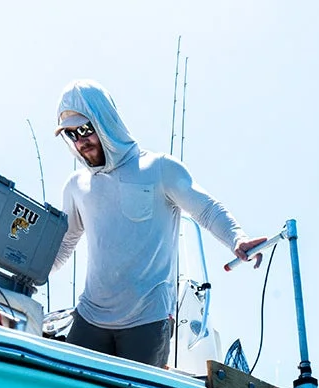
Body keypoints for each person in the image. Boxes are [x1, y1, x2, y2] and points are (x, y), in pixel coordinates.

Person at [50, 79, 265, 368]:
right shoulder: (76, 185)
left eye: (85, 129)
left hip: (146, 322)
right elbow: (63, 246)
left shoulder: (159, 168)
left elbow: (206, 209)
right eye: (71, 135)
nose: (80, 141)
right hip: (90, 318)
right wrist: (19, 273)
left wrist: (237, 238)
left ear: (105, 121)